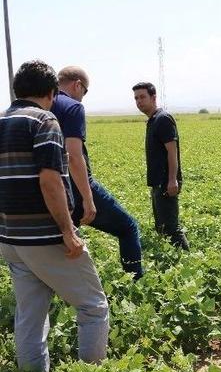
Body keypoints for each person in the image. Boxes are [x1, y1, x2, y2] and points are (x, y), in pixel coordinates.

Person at [0, 60, 109, 372]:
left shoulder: (2, 120)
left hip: (11, 238)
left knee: (30, 315)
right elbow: (50, 181)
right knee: (93, 307)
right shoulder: (44, 120)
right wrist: (67, 231)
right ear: (51, 93)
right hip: (44, 236)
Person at [51, 66, 144, 278]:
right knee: (128, 227)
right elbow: (74, 157)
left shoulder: (42, 105)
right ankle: (136, 283)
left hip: (50, 189)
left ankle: (69, 287)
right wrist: (88, 197)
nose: (82, 97)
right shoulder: (72, 106)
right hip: (74, 187)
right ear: (78, 85)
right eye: (84, 92)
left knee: (65, 241)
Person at [132, 82, 189, 250]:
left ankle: (186, 258)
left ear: (153, 97)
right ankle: (171, 257)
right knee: (161, 226)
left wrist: (172, 180)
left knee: (171, 228)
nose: (139, 101)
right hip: (158, 182)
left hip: (166, 182)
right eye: (136, 98)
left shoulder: (163, 119)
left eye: (142, 97)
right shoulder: (153, 120)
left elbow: (172, 151)